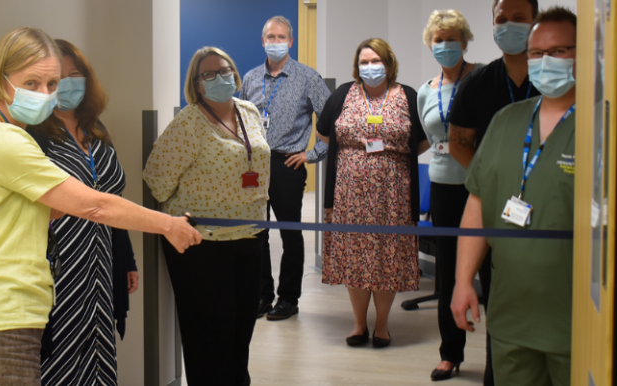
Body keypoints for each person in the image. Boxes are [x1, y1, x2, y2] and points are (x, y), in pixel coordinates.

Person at [0, 27, 201, 386]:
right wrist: (168, 225)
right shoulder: (1, 141)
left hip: (20, 309)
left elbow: (55, 209)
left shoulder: (5, 134)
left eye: (52, 84)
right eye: (31, 83)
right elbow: (95, 206)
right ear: (0, 79)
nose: (46, 94)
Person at [451, 7, 577, 386]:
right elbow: (477, 202)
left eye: (558, 51)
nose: (544, 62)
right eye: (536, 53)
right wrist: (462, 282)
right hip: (512, 318)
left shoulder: (605, 125)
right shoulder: (508, 121)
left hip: (576, 321)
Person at [143, 47, 270, 386]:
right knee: (211, 332)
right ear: (197, 85)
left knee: (243, 325)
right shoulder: (190, 122)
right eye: (208, 75)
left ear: (235, 73)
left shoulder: (250, 111)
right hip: (202, 243)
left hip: (251, 235)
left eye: (224, 70)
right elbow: (157, 180)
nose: (219, 78)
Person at [25, 39, 136, 385]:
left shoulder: (96, 129)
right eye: (60, 77)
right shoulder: (35, 135)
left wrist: (127, 259)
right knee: (59, 358)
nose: (68, 83)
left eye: (76, 74)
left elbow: (112, 198)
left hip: (101, 266)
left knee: (99, 355)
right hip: (59, 269)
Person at [447, 1, 541, 383]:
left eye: (519, 19)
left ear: (535, 21)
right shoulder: (480, 82)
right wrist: (493, 183)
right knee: (498, 296)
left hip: (552, 208)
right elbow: (458, 142)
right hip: (499, 209)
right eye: (501, 20)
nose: (509, 26)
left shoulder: (556, 78)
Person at [316, 38, 429, 348]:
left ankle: (381, 325)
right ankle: (357, 324)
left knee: (386, 259)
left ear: (388, 63)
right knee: (355, 258)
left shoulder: (407, 96)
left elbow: (422, 140)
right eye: (364, 62)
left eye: (375, 61)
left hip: (393, 198)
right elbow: (325, 132)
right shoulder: (343, 95)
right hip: (348, 197)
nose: (370, 67)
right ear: (357, 66)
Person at [239, 15, 331, 320]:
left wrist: (313, 153)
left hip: (287, 164)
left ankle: (289, 298)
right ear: (262, 41)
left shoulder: (307, 78)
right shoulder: (251, 78)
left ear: (290, 42)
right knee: (256, 231)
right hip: (253, 165)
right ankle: (262, 294)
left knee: (290, 233)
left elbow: (332, 119)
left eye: (281, 37)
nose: (275, 42)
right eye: (270, 37)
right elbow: (241, 121)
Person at [417, 9, 485, 382]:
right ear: (431, 44)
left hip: (481, 183)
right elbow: (428, 137)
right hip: (444, 185)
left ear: (465, 40)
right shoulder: (427, 90)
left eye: (452, 38)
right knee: (446, 271)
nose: (445, 45)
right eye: (438, 39)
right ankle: (450, 353)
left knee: (491, 271)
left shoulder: (483, 78)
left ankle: (499, 355)